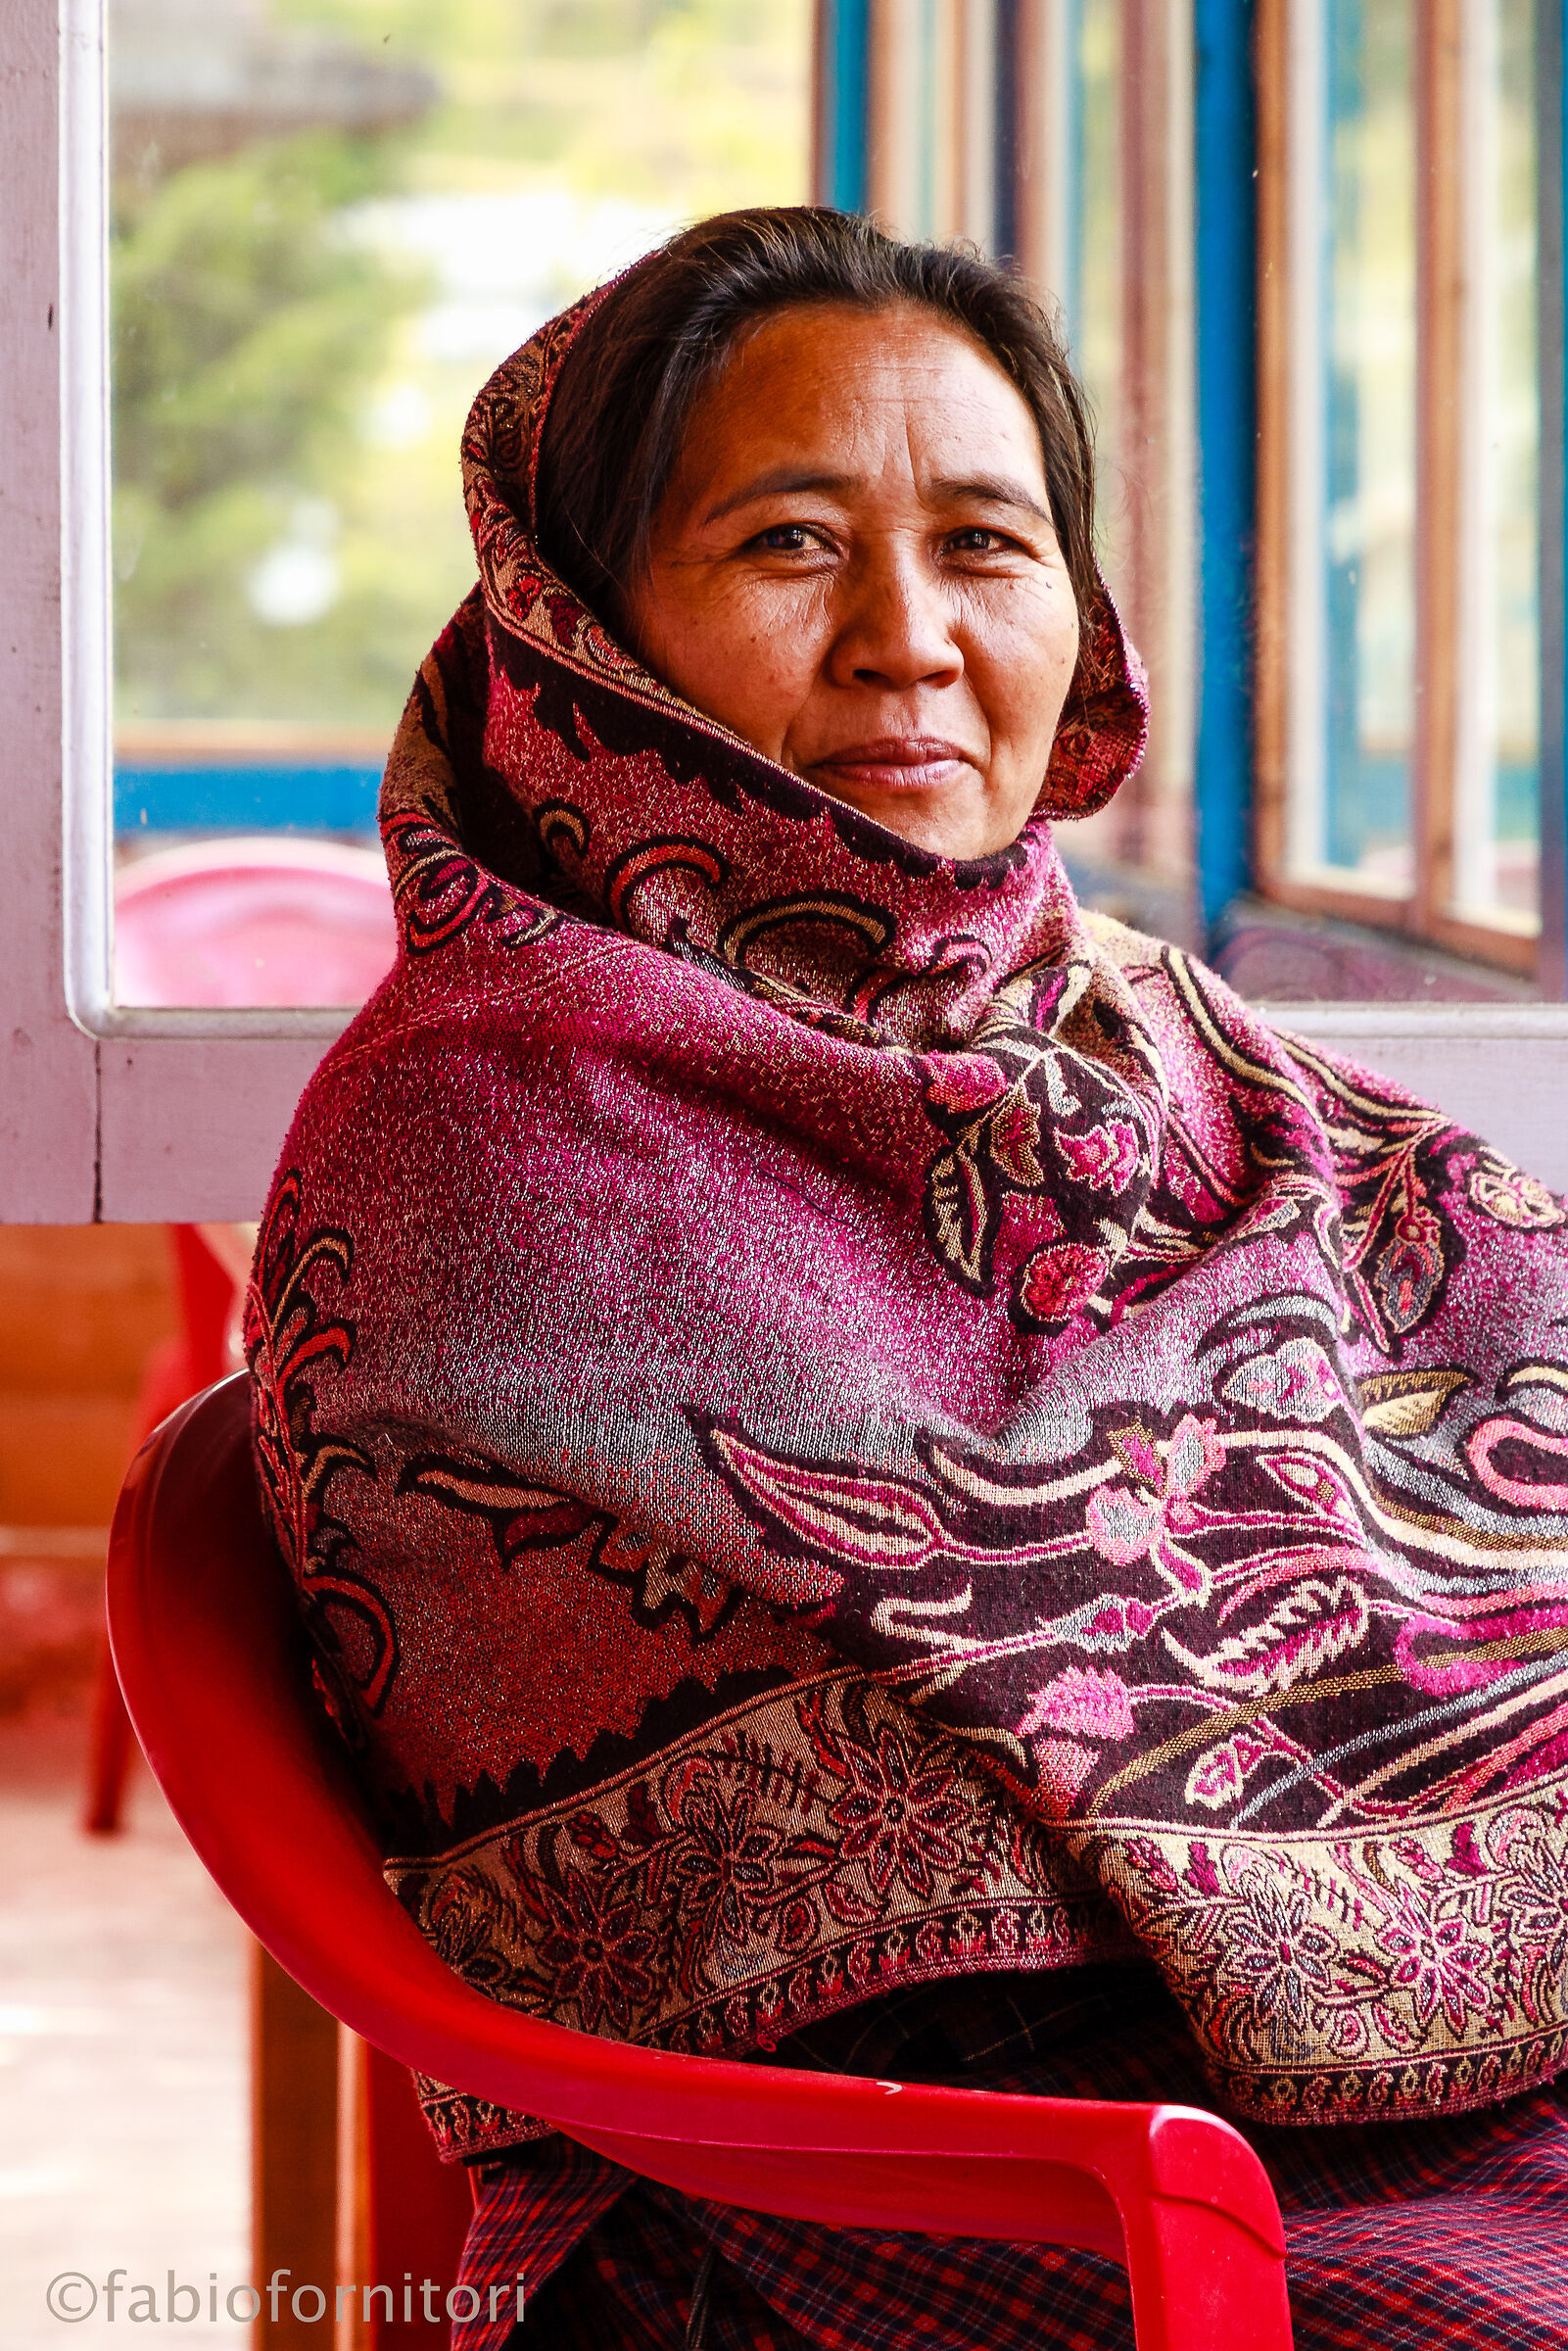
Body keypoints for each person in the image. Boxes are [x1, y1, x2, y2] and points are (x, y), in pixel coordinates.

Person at [247, 208, 1568, 2349]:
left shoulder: (1127, 1021)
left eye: (984, 541)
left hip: (1426, 2105)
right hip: (868, 2178)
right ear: (579, 623)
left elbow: (1485, 1319)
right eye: (788, 545)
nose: (909, 639)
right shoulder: (493, 1138)